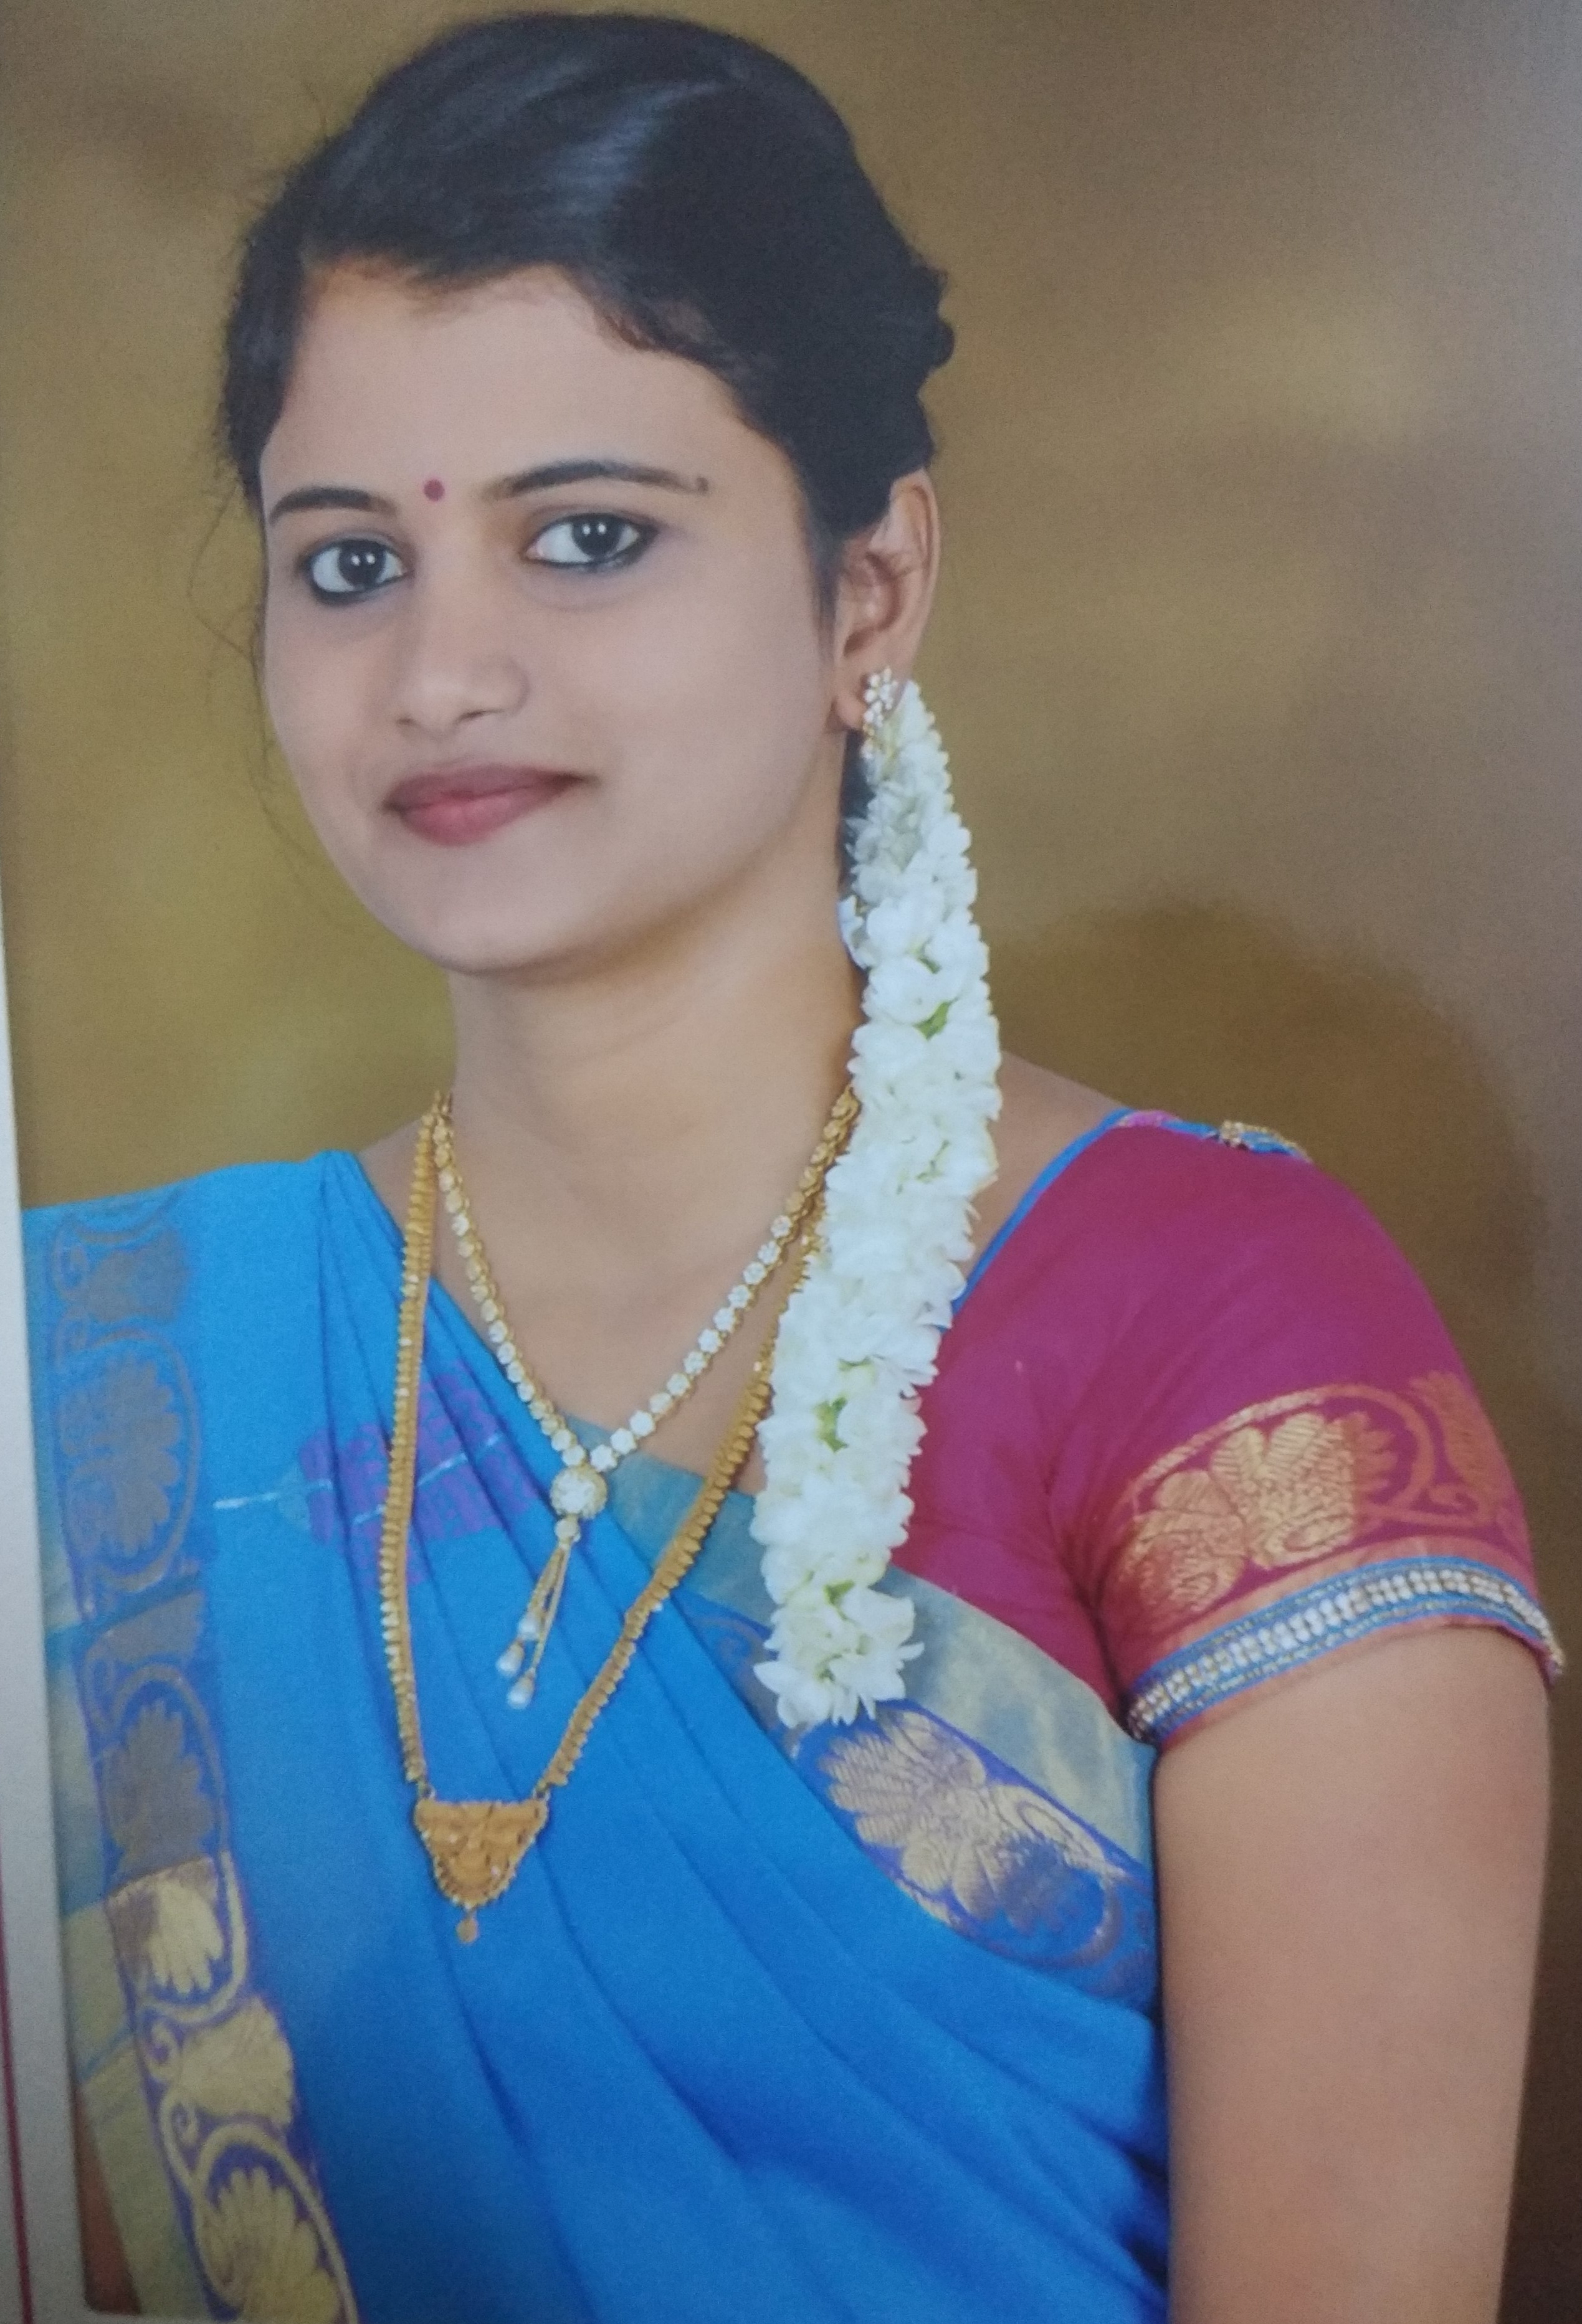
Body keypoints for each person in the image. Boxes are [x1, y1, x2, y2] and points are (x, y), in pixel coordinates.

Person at [26, 14, 1556, 2322]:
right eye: (347, 564)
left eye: (587, 538)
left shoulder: (1217, 1339)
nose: (439, 672)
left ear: (871, 591)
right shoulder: (99, 1386)